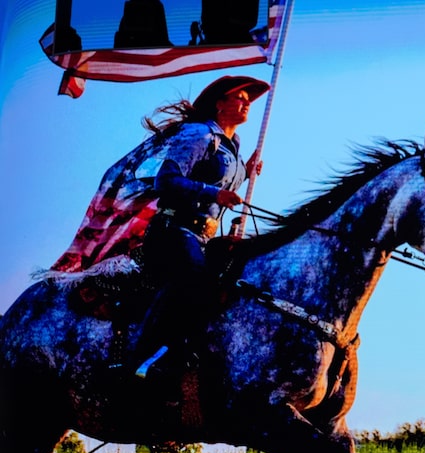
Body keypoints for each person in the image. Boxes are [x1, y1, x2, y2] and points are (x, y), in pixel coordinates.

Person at [51, 75, 269, 376]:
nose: (246, 103)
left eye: (248, 100)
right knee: (195, 278)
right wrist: (214, 193)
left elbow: (217, 182)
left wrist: (245, 172)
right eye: (239, 97)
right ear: (219, 104)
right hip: (172, 230)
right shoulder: (199, 135)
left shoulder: (233, 147)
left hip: (204, 237)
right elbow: (166, 180)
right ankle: (146, 361)